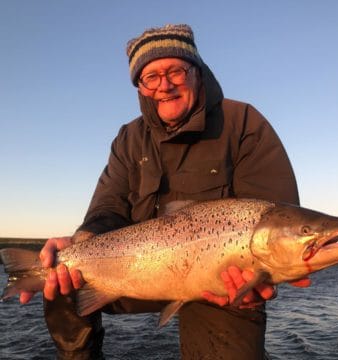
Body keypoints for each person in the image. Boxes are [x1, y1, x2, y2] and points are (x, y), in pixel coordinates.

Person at [20, 24, 310, 359]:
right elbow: (109, 206)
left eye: (175, 71)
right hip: (139, 271)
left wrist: (256, 282)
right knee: (60, 282)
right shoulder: (128, 138)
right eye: (151, 77)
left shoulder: (243, 122)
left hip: (222, 283)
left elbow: (276, 212)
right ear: (140, 87)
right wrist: (83, 237)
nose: (164, 85)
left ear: (197, 72)